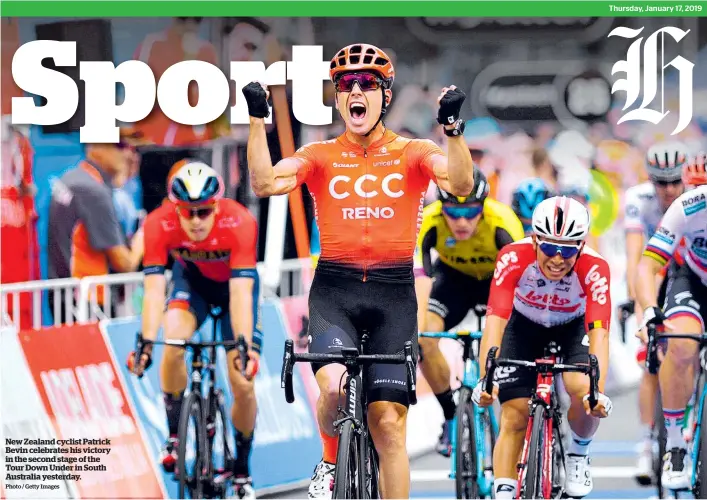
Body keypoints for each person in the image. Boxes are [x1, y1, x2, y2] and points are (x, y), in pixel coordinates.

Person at [243, 43, 475, 499]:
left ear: (384, 96)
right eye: (346, 84)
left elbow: (462, 184)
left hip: (393, 297)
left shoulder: (413, 152)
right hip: (335, 291)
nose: (356, 90)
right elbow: (265, 181)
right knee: (332, 389)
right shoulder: (320, 155)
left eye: (367, 83)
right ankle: (331, 462)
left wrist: (453, 131)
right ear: (336, 97)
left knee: (388, 423)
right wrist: (257, 121)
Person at [127, 161, 261, 499]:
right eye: (188, 213)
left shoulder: (241, 221)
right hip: (194, 286)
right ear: (176, 209)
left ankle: (242, 468)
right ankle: (174, 434)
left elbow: (242, 293)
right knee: (172, 343)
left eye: (203, 212)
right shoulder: (159, 224)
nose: (196, 221)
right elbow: (155, 288)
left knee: (242, 382)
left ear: (216, 205)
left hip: (234, 288)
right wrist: (145, 344)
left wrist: (243, 347)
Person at [475, 196, 613, 499]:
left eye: (568, 249)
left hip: (572, 327)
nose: (558, 259)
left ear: (581, 245)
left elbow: (600, 332)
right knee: (514, 413)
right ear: (534, 240)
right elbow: (496, 319)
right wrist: (486, 378)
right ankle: (504, 491)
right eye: (550, 247)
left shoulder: (595, 267)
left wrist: (597, 391)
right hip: (523, 326)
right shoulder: (512, 257)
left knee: (582, 387)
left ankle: (578, 453)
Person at [414, 169, 524, 456]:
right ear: (441, 206)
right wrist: (416, 328)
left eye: (471, 211)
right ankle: (450, 417)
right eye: (453, 212)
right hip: (453, 281)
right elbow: (420, 280)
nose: (461, 221)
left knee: (512, 342)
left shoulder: (503, 222)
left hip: (496, 282)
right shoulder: (429, 221)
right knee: (423, 340)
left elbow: (521, 283)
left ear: (483, 205)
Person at [635, 153, 707, 491]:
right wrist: (649, 309)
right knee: (680, 343)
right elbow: (647, 265)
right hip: (691, 279)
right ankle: (675, 444)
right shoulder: (687, 206)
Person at [622, 140, 689, 485]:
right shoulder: (638, 199)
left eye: (675, 181)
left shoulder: (693, 196)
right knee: (650, 361)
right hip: (653, 272)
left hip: (687, 272)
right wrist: (641, 310)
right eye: (661, 183)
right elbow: (636, 260)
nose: (669, 189)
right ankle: (646, 441)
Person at [47, 129, 145, 320]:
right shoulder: (94, 191)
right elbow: (125, 263)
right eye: (120, 145)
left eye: (133, 149)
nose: (128, 154)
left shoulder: (73, 178)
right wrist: (144, 237)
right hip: (90, 303)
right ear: (95, 147)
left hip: (64, 298)